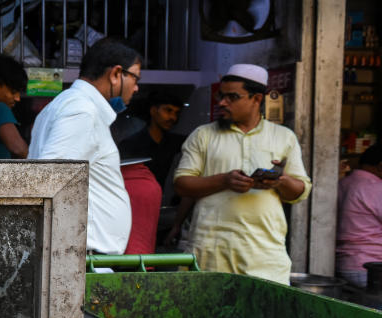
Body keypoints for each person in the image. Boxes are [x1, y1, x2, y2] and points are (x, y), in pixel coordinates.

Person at [174, 64, 311, 284]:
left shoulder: (284, 137)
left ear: (257, 99)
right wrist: (225, 180)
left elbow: (300, 191)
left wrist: (280, 180)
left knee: (262, 316)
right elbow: (181, 184)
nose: (222, 103)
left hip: (265, 256)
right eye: (221, 96)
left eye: (232, 97)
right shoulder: (203, 135)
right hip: (210, 251)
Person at [28, 38, 140, 254]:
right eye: (135, 77)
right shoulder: (82, 110)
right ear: (116, 74)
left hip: (78, 258)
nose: (136, 88)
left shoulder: (69, 104)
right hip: (80, 260)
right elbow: (50, 176)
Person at [117, 89, 187, 188]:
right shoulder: (131, 144)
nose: (173, 117)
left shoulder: (177, 142)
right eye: (168, 110)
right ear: (153, 111)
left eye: (176, 113)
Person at [336, 144, 382, 287]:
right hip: (372, 268)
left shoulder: (342, 183)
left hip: (343, 264)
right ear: (381, 166)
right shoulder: (376, 187)